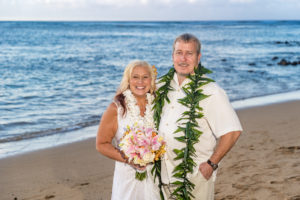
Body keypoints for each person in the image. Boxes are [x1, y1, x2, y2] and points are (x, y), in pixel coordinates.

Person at [156, 33, 243, 199]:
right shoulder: (160, 86)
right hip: (161, 179)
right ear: (172, 55)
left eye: (189, 53)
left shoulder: (211, 91)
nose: (183, 59)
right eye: (179, 52)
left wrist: (211, 164)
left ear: (198, 57)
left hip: (194, 179)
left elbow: (232, 132)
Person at [96, 60, 160, 200]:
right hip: (127, 176)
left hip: (154, 175)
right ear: (128, 80)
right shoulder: (116, 108)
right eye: (135, 77)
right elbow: (101, 144)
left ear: (151, 80)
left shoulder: (158, 106)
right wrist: (129, 159)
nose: (140, 82)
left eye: (145, 77)